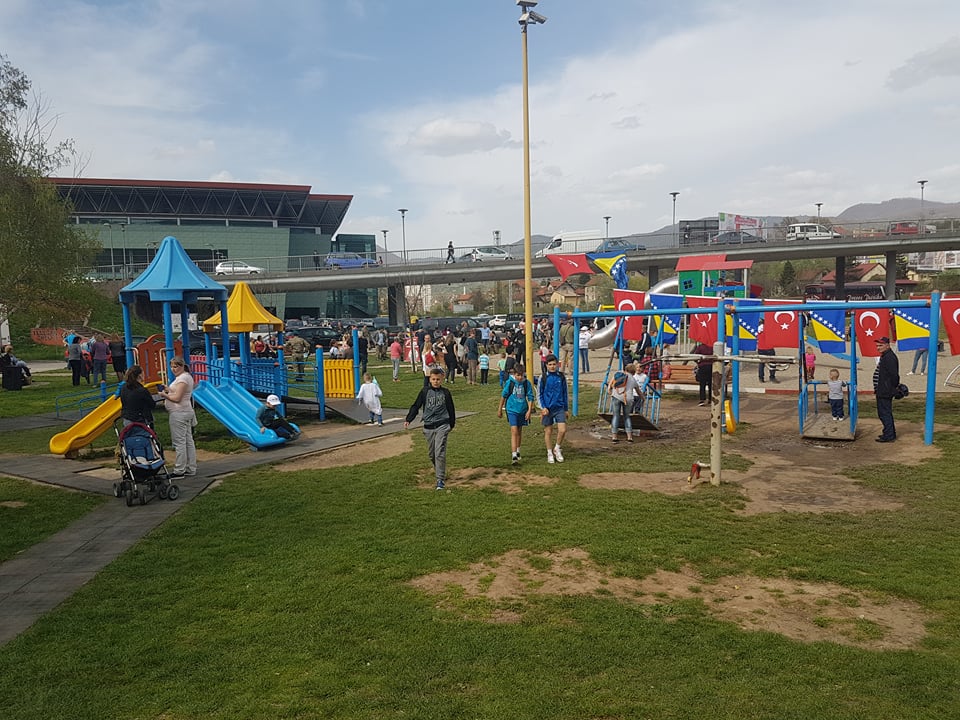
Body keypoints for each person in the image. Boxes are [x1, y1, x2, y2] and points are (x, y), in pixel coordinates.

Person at [404, 367, 456, 490]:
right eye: (433, 379)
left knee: (439, 452)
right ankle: (439, 469)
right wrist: (409, 419)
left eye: (438, 379)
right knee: (432, 454)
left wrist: (451, 424)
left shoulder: (446, 393)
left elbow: (451, 408)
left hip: (442, 425)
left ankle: (440, 480)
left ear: (442, 379)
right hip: (428, 427)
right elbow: (416, 405)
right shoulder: (424, 392)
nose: (436, 381)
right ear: (430, 379)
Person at [158, 356, 196, 477]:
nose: (174, 369)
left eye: (176, 366)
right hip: (185, 411)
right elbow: (178, 393)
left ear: (182, 366)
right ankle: (190, 467)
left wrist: (164, 395)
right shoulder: (184, 377)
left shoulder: (183, 379)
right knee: (188, 441)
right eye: (172, 367)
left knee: (180, 442)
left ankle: (179, 470)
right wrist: (168, 389)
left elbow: (177, 398)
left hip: (179, 412)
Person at [499, 364, 534, 465]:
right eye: (518, 375)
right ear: (514, 374)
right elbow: (503, 395)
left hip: (522, 410)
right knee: (514, 430)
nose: (520, 377)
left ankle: (518, 450)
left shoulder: (526, 383)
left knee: (519, 431)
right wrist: (500, 409)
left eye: (521, 375)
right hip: (511, 410)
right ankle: (514, 455)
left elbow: (530, 397)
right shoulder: (510, 383)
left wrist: (529, 411)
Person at [537, 354, 568, 463]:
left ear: (557, 365)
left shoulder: (561, 377)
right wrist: (543, 407)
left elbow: (565, 393)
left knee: (562, 430)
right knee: (548, 431)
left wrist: (566, 408)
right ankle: (549, 452)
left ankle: (557, 448)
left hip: (559, 407)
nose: (552, 366)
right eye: (550, 364)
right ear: (546, 365)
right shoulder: (543, 377)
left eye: (554, 364)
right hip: (547, 409)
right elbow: (539, 394)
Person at [873, 336, 900, 442]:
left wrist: (891, 387)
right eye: (877, 345)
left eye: (880, 345)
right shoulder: (885, 356)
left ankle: (889, 435)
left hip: (885, 390)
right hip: (882, 389)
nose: (878, 347)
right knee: (883, 413)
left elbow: (894, 375)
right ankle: (888, 432)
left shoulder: (889, 357)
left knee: (885, 413)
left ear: (887, 345)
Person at [607, 363, 639, 443]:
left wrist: (610, 390)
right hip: (628, 398)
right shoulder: (633, 379)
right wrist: (643, 398)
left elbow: (610, 384)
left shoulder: (619, 374)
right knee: (627, 417)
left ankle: (614, 437)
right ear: (633, 372)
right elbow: (638, 391)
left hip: (616, 396)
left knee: (616, 416)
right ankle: (629, 437)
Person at [692, 341, 713, 407]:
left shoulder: (700, 347)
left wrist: (698, 363)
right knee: (710, 384)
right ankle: (710, 399)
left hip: (702, 367)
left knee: (702, 384)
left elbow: (695, 357)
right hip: (711, 366)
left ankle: (702, 399)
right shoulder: (712, 347)